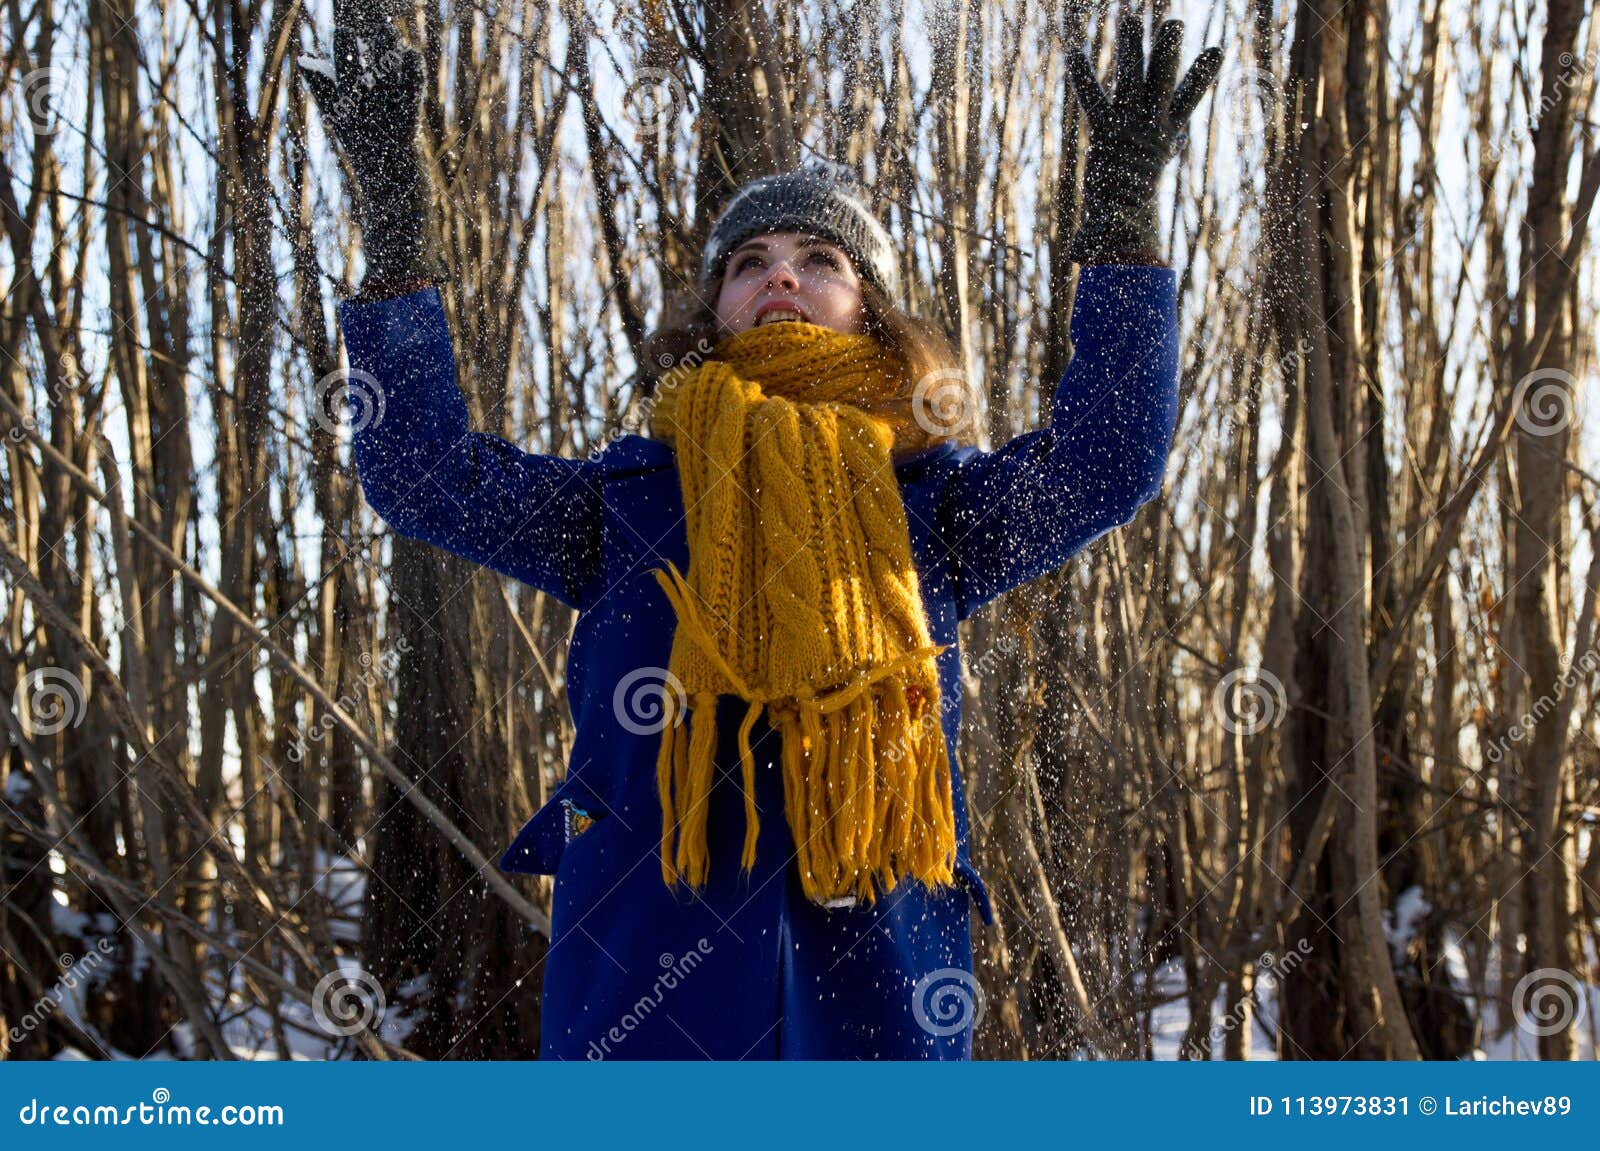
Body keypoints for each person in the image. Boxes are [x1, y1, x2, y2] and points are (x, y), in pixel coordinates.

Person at [301, 11, 1221, 1059]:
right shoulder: (626, 499)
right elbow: (424, 476)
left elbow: (1106, 462)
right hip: (647, 991)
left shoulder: (937, 503)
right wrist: (396, 235)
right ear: (715, 313)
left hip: (882, 985)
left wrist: (1118, 232)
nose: (780, 272)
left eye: (819, 256)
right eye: (748, 260)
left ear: (870, 311)